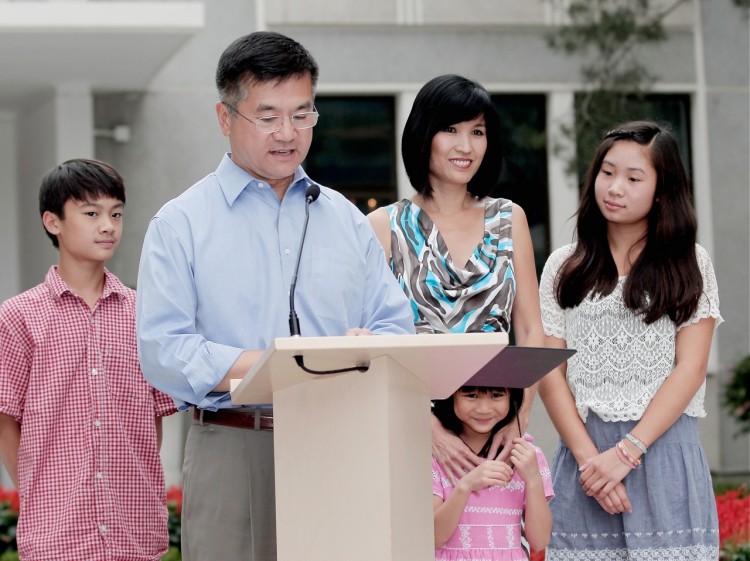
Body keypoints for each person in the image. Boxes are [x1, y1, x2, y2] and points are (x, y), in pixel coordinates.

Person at [135, 31, 414, 561]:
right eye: (267, 116)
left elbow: (393, 325)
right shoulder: (180, 224)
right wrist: (273, 366)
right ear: (225, 117)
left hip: (340, 439)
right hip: (234, 446)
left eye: (302, 114)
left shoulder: (347, 221)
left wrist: (368, 347)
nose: (287, 133)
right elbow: (163, 349)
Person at [538, 120, 722, 560]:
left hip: (664, 452)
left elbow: (691, 368)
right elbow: (550, 374)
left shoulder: (690, 263)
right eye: (607, 172)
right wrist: (591, 463)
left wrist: (627, 452)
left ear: (661, 190)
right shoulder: (565, 267)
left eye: (633, 178)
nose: (615, 187)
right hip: (586, 460)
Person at [368, 74, 545, 480]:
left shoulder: (509, 219)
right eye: (450, 130)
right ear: (422, 134)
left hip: (493, 432)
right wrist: (429, 429)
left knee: (491, 544)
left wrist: (520, 416)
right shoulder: (383, 226)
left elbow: (531, 328)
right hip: (409, 430)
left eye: (477, 132)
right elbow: (369, 343)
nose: (465, 146)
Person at [0, 159, 175, 561]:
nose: (108, 226)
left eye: (116, 214)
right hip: (55, 532)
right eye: (91, 213)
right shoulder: (19, 316)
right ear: (52, 222)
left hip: (134, 527)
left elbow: (153, 418)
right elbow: (6, 420)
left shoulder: (143, 313)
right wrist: (37, 491)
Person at [431, 385, 553, 560]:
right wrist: (465, 486)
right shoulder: (439, 456)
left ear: (512, 395)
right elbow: (434, 537)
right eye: (471, 395)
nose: (483, 408)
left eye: (496, 395)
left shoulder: (526, 455)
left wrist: (533, 480)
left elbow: (540, 540)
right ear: (450, 395)